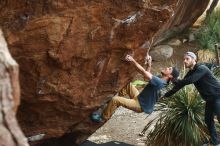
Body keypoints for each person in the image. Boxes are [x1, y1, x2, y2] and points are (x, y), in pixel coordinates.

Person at [91, 54, 179, 123]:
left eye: (169, 69)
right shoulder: (161, 79)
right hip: (139, 97)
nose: (167, 68)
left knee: (115, 99)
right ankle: (116, 104)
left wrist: (133, 60)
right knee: (127, 84)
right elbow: (146, 78)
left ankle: (102, 118)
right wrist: (149, 64)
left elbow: (143, 72)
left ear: (170, 75)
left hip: (140, 105)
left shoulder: (160, 82)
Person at [162, 51, 220, 146]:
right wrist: (166, 93)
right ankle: (215, 142)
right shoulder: (191, 72)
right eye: (184, 59)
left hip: (218, 96)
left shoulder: (202, 68)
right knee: (208, 120)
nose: (185, 61)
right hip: (210, 100)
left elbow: (190, 80)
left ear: (194, 59)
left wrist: (177, 81)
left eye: (187, 59)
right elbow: (180, 84)